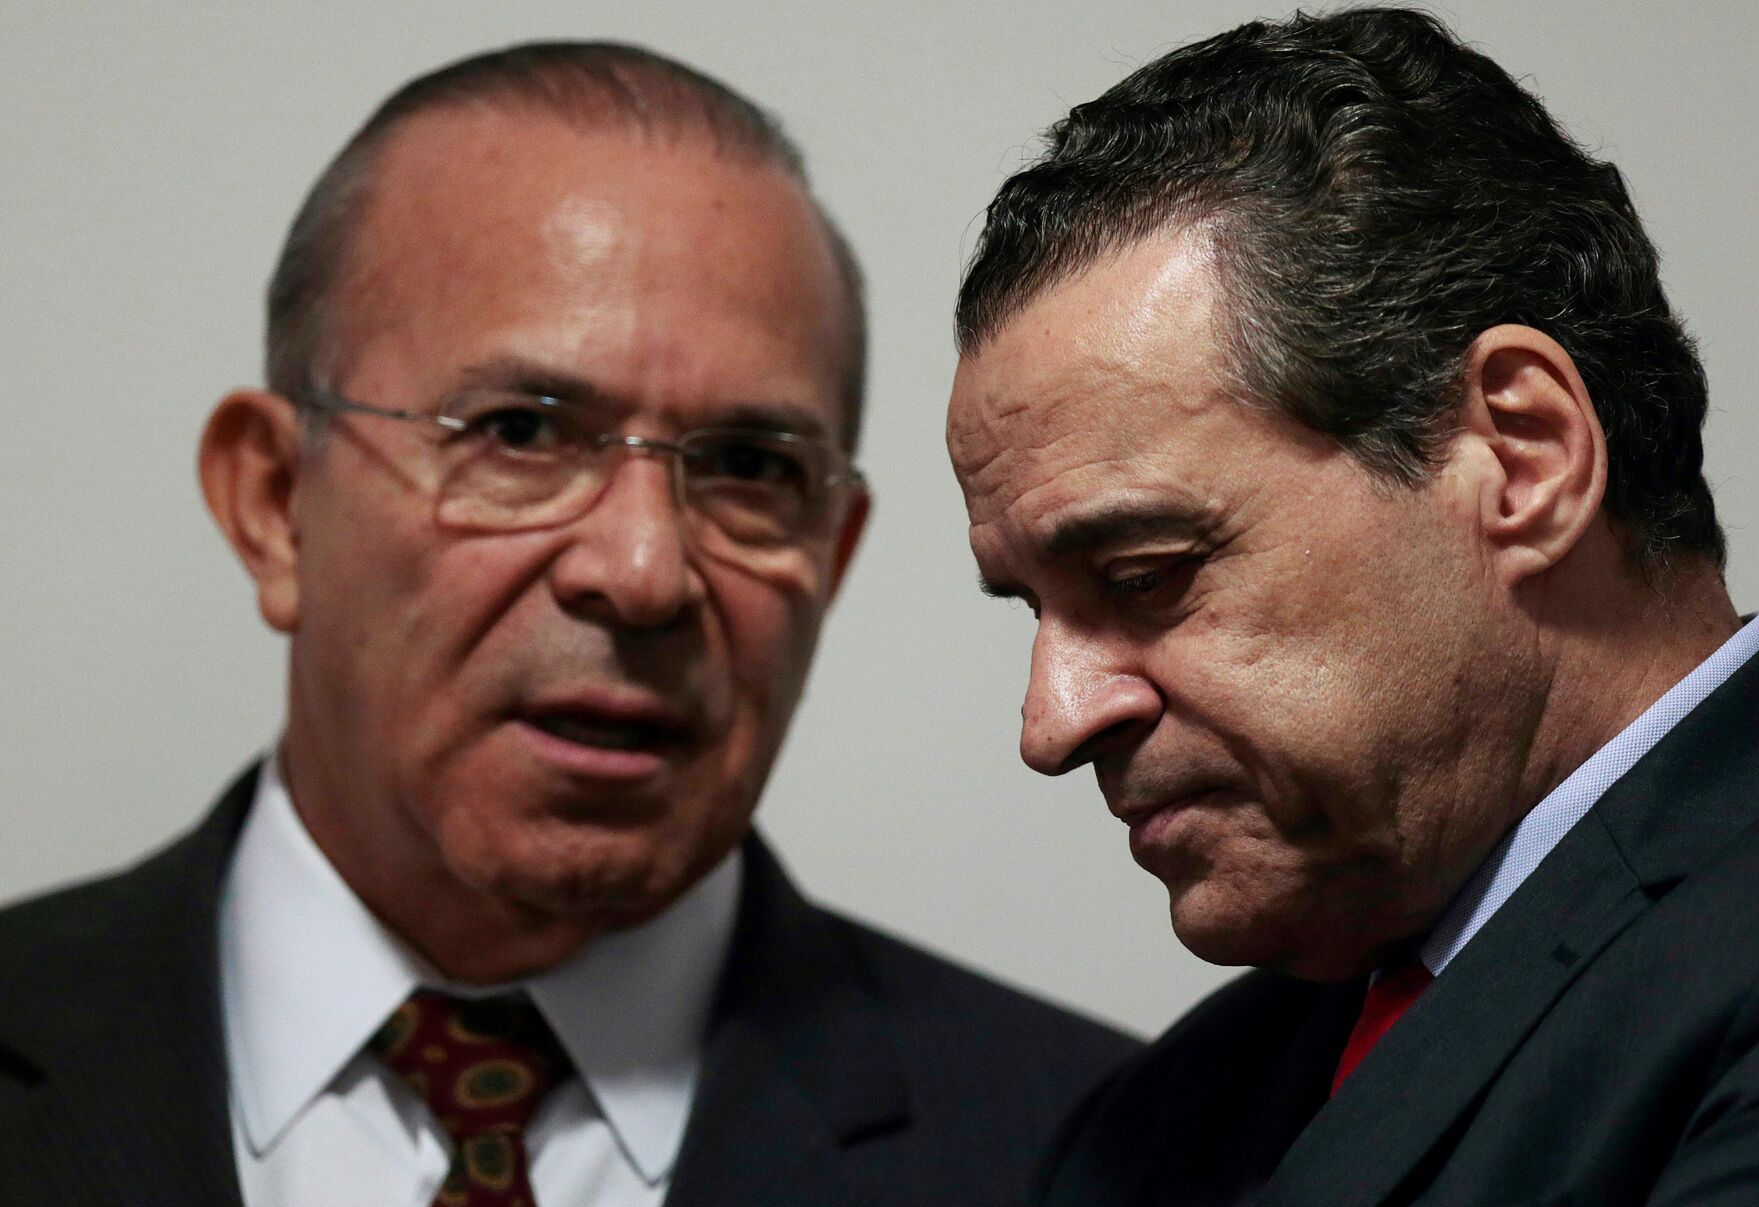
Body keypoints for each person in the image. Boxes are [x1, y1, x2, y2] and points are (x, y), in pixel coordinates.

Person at [0, 41, 1135, 1206]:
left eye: (750, 467)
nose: (643, 573)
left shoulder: (1108, 1155)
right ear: (276, 504)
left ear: (829, 557)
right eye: (521, 433)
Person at [947, 8, 1759, 1205]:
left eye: (1145, 575)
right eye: (1032, 608)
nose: (1052, 723)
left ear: (1523, 459)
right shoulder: (1165, 1117)